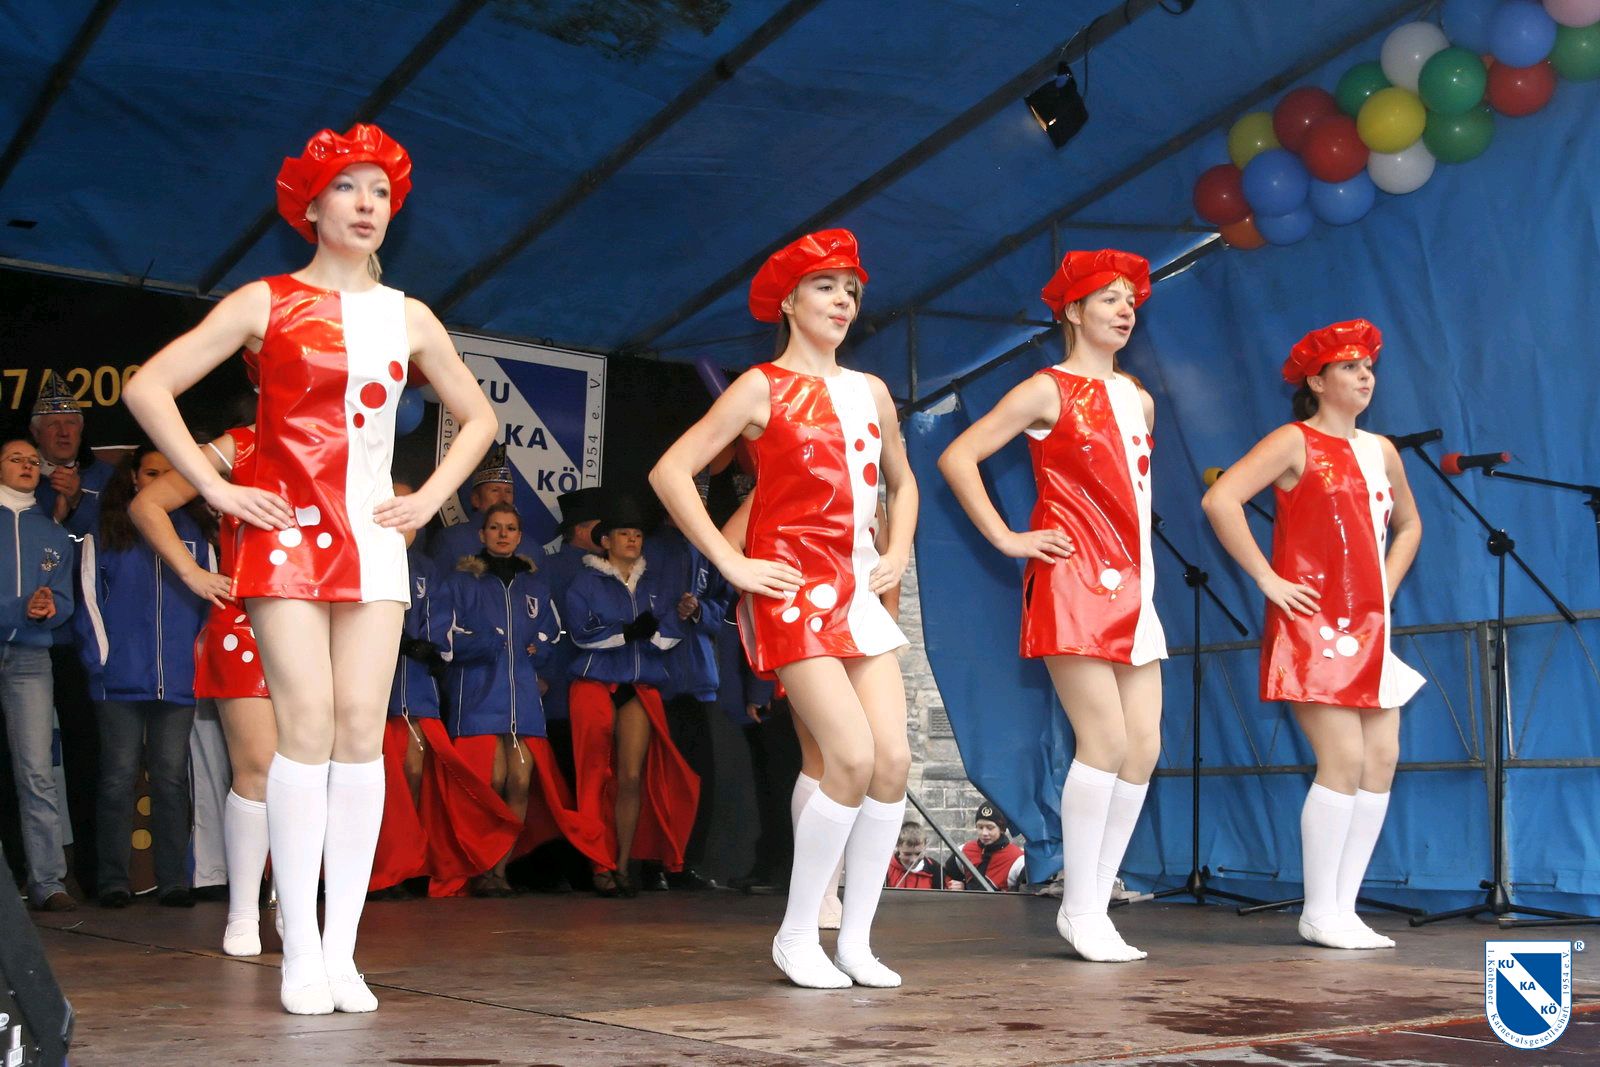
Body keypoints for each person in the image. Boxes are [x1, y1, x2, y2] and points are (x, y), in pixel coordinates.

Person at [123, 123, 497, 1015]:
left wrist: (427, 497)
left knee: (363, 729)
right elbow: (147, 387)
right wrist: (217, 484)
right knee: (306, 727)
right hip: (286, 534)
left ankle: (340, 949)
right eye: (348, 188)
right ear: (311, 204)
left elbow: (479, 417)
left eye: (381, 192)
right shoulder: (265, 300)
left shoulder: (410, 315)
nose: (367, 205)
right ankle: (296, 948)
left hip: (372, 535)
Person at [650, 229, 916, 989]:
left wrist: (898, 547)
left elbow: (904, 481)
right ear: (790, 302)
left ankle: (856, 941)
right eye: (826, 287)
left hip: (857, 592)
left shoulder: (871, 391)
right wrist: (730, 562)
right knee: (850, 757)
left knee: (894, 762)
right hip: (794, 594)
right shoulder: (760, 387)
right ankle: (798, 933)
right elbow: (672, 471)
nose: (843, 301)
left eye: (851, 290)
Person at [937, 249, 1165, 963]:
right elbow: (957, 456)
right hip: (1073, 581)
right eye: (1108, 298)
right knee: (1105, 742)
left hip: (1136, 585)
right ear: (1072, 310)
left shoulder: (1139, 398)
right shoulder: (1047, 389)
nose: (1124, 310)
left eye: (1130, 299)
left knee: (1145, 747)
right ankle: (1081, 905)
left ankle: (1094, 898)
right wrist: (1009, 536)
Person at [1202, 319, 1423, 951]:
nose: (1365, 376)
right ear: (1317, 382)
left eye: (1368, 367)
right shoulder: (1293, 440)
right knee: (1343, 758)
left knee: (1381, 760)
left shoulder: (1382, 451)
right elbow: (1221, 500)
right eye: (1350, 367)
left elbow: (1409, 525)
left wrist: (1383, 586)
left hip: (1370, 625)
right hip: (1312, 624)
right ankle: (1320, 910)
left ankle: (1343, 909)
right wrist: (1267, 578)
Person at [131, 423, 280, 955]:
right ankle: (243, 910)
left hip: (322, 617)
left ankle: (291, 903)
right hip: (247, 616)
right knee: (256, 767)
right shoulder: (242, 443)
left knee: (310, 769)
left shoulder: (348, 438)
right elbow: (148, 503)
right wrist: (193, 572)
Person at [442, 502, 610, 894]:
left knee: (520, 780)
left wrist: (540, 654)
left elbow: (553, 633)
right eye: (495, 527)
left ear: (520, 537)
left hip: (523, 698)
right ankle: (481, 867)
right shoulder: (461, 582)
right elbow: (445, 639)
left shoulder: (534, 585)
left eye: (511, 528)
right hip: (479, 696)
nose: (503, 534)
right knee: (492, 780)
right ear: (482, 534)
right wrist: (490, 643)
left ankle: (498, 872)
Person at [76, 445, 210, 908]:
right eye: (152, 472)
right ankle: (113, 882)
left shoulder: (198, 536)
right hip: (119, 681)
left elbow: (212, 608)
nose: (160, 480)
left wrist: (197, 664)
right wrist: (103, 662)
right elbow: (89, 602)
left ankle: (174, 881)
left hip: (178, 681)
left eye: (170, 473)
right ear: (133, 478)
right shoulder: (106, 532)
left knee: (171, 779)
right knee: (117, 779)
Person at [564, 499, 700, 896]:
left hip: (638, 685)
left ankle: (622, 866)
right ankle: (599, 865)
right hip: (595, 682)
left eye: (637, 535)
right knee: (593, 777)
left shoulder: (653, 584)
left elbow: (667, 636)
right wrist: (627, 633)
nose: (632, 540)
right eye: (624, 534)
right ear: (605, 541)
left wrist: (673, 620)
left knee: (631, 777)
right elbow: (580, 634)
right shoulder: (585, 582)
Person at [0, 438, 77, 911]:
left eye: (34, 461)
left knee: (37, 772)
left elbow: (64, 601)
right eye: (16, 459)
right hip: (19, 640)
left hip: (30, 658)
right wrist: (17, 608)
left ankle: (49, 882)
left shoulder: (52, 533)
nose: (28, 466)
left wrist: (49, 608)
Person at [429, 443, 515, 572]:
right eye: (495, 490)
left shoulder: (531, 548)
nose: (503, 498)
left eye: (508, 491)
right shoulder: (451, 540)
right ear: (475, 499)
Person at [942, 803, 1025, 892]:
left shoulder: (1018, 860)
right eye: (980, 827)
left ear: (1001, 829)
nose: (984, 833)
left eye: (990, 828)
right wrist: (957, 886)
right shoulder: (964, 850)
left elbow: (1025, 893)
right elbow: (947, 876)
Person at [885, 822, 941, 890]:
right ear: (897, 846)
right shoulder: (885, 869)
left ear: (925, 846)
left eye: (918, 854)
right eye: (907, 854)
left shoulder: (936, 869)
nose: (913, 860)